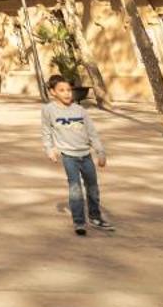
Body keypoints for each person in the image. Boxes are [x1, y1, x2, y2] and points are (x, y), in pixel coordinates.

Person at [41, 75, 111, 235]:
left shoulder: (80, 110)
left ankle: (95, 217)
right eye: (62, 90)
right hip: (69, 156)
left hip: (86, 155)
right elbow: (46, 132)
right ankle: (79, 222)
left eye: (69, 90)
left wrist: (100, 152)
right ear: (53, 92)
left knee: (93, 188)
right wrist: (49, 149)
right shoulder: (48, 110)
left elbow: (92, 133)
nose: (67, 93)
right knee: (75, 189)